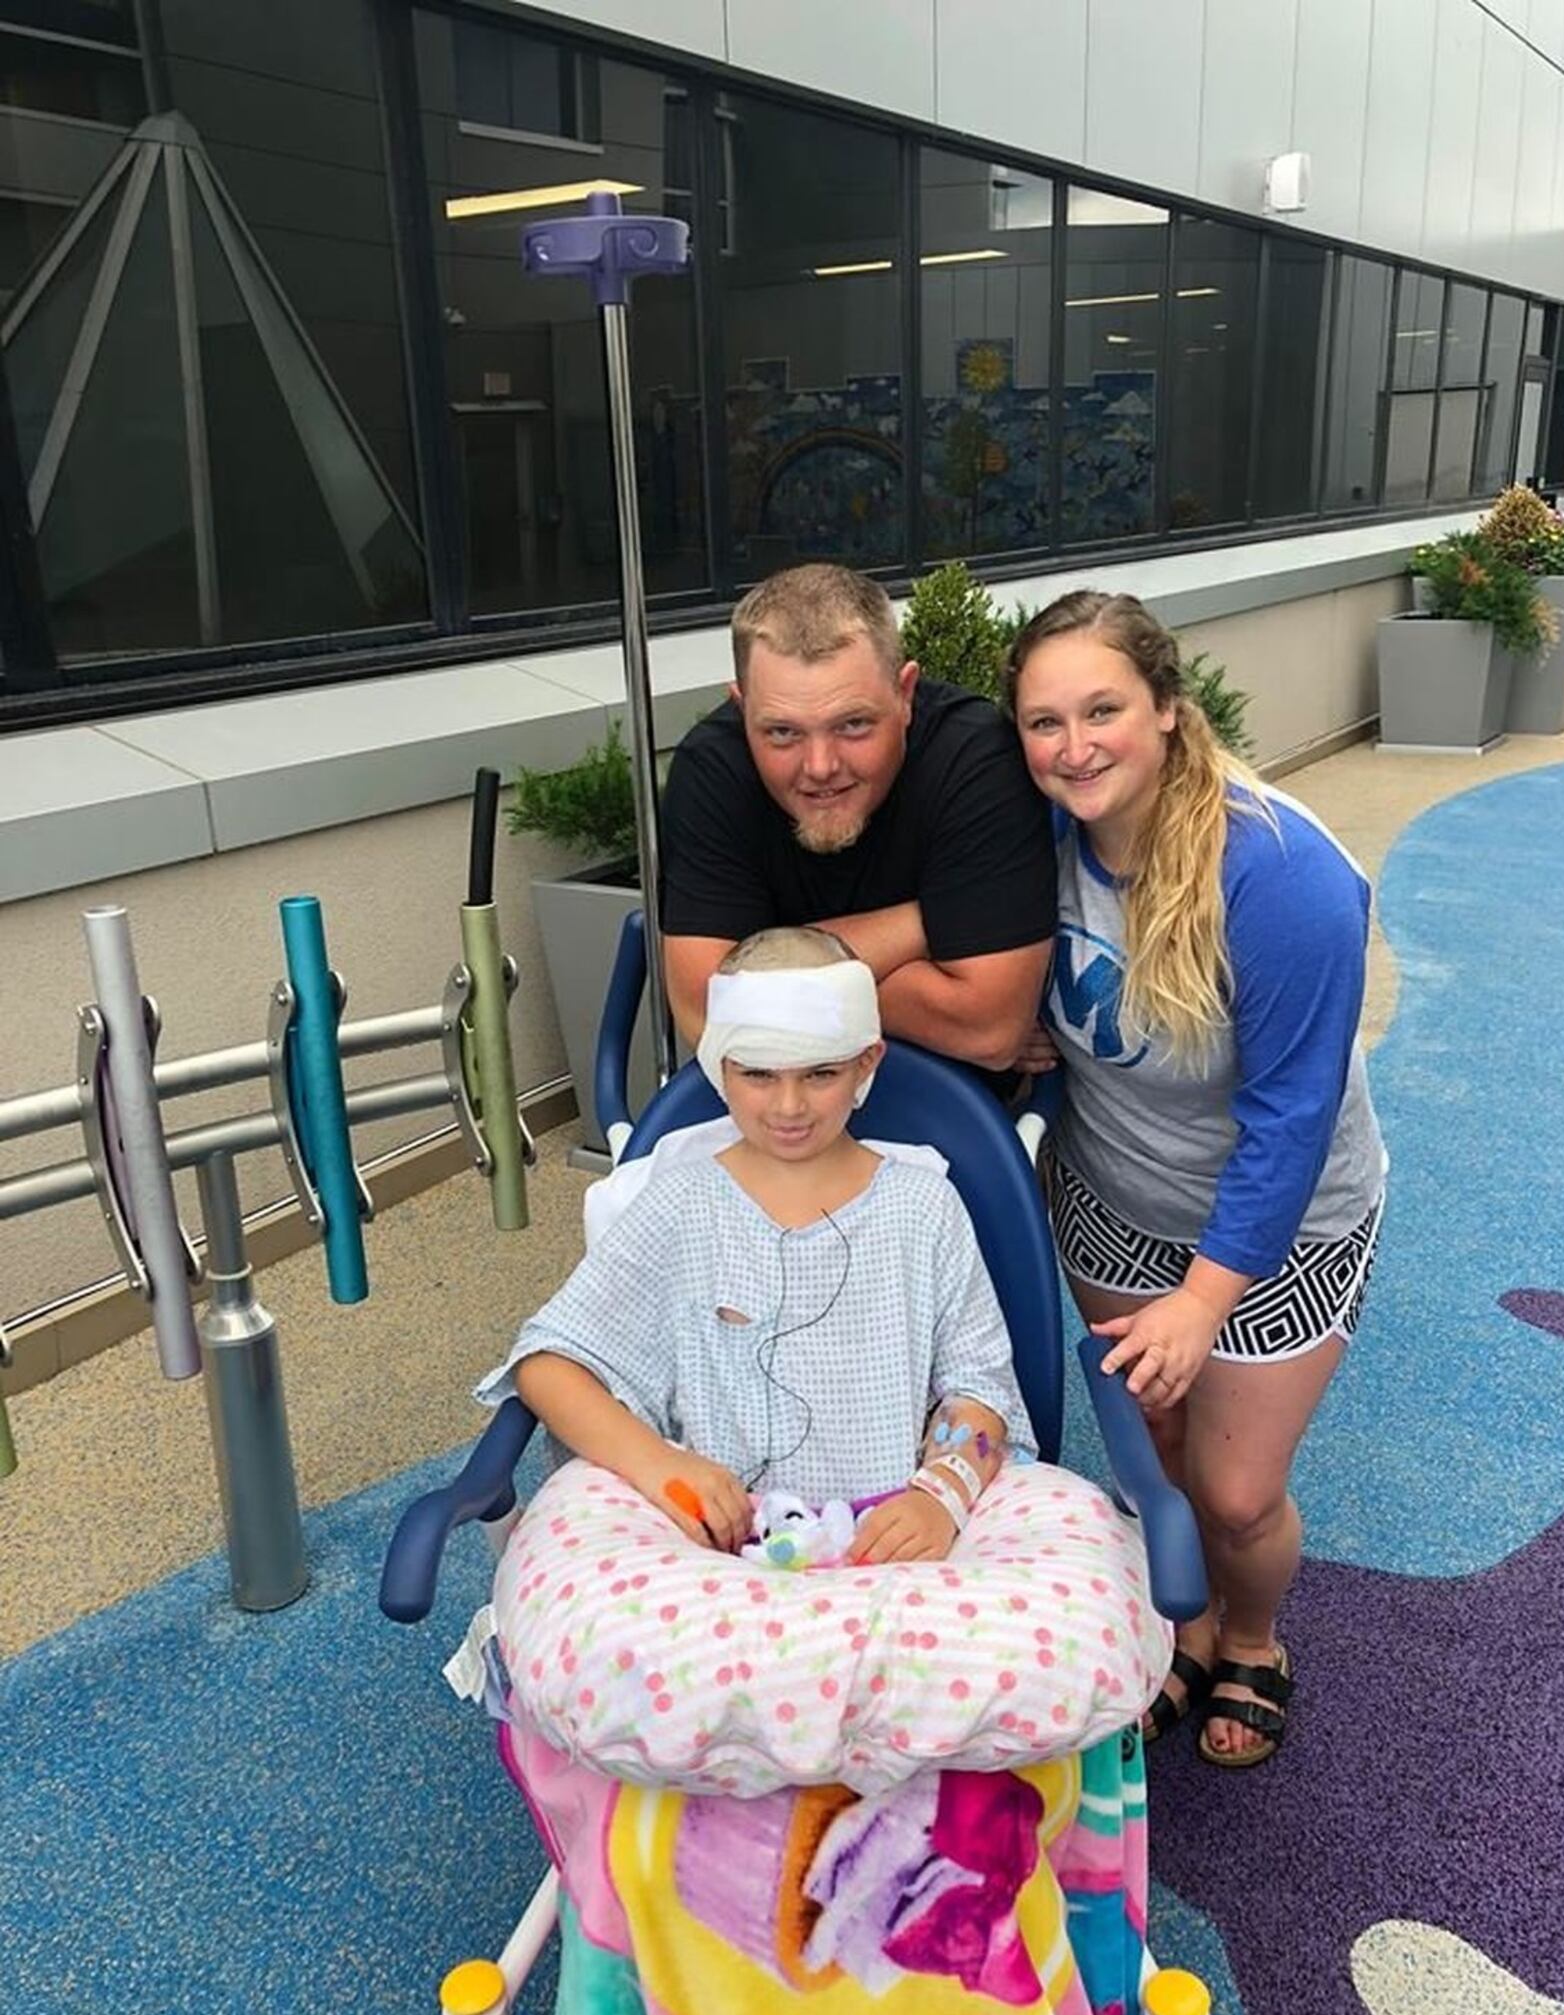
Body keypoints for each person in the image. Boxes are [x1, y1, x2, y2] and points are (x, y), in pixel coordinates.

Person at [1007, 590, 1387, 1770]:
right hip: (1112, 1199)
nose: (1073, 747)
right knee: (1155, 1457)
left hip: (1278, 1223)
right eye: (1042, 721)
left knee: (1231, 1494)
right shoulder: (1035, 845)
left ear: (1168, 709)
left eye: (1103, 709)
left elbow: (1288, 1120)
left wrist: (1203, 1300)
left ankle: (1256, 1641)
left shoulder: (1280, 876)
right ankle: (1189, 1629)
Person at [474, 925, 1036, 1563]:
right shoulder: (680, 1206)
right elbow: (549, 1364)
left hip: (893, 1543)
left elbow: (981, 1388)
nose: (789, 1106)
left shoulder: (924, 1207)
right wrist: (660, 1466)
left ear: (866, 1064)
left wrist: (941, 1497)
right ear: (720, 1068)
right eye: (759, 1074)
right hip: (712, 1551)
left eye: (821, 1073)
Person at [659, 563, 1056, 1072]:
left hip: (955, 1108)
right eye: (782, 732)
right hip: (771, 1114)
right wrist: (925, 921)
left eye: (853, 724)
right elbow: (707, 1016)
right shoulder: (713, 770)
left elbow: (989, 1031)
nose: (821, 766)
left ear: (905, 693)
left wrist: (769, 990)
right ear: (742, 708)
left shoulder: (973, 760)